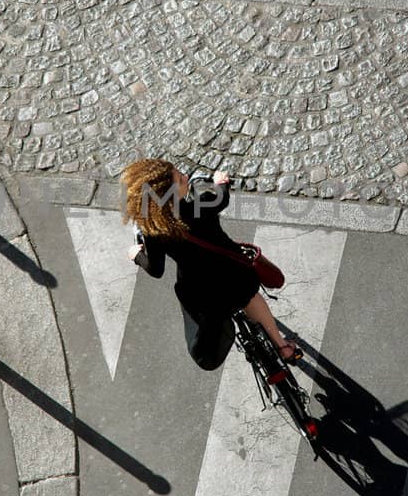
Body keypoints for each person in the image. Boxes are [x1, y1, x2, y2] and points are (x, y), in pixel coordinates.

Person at [121, 157, 300, 372]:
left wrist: (136, 256)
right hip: (233, 274)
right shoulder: (199, 205)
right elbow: (222, 199)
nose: (185, 177)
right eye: (180, 179)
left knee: (214, 308)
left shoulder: (155, 230)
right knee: (250, 298)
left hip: (202, 292)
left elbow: (156, 269)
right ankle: (283, 347)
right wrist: (221, 182)